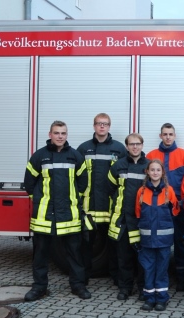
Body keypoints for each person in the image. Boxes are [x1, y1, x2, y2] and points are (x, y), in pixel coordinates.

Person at [23, 120, 91, 301]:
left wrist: (74, 199)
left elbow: (83, 182)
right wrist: (38, 201)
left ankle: (78, 286)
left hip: (69, 214)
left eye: (63, 133)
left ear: (66, 135)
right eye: (57, 133)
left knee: (75, 254)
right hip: (44, 216)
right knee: (40, 255)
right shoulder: (39, 156)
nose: (60, 136)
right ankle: (39, 288)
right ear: (50, 134)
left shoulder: (75, 156)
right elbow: (29, 183)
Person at [77, 113, 127, 284]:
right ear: (94, 126)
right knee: (86, 246)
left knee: (114, 245)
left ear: (109, 126)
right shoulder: (83, 149)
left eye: (105, 124)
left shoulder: (119, 149)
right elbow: (76, 177)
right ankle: (83, 279)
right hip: (88, 207)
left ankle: (116, 279)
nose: (102, 127)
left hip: (111, 208)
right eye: (99, 124)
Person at [146, 123, 184, 290]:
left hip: (178, 208)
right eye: (165, 134)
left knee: (180, 243)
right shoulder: (151, 155)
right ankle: (159, 279)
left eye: (170, 134)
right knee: (158, 244)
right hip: (157, 208)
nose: (168, 137)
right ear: (160, 136)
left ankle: (182, 280)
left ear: (175, 136)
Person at [107, 133, 149, 301]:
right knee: (123, 258)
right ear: (126, 146)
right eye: (131, 144)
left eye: (138, 144)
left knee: (142, 259)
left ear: (142, 145)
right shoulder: (118, 166)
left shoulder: (149, 166)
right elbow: (110, 189)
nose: (135, 147)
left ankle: (142, 289)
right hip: (123, 221)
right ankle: (125, 288)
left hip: (142, 221)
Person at [135, 160, 180, 311]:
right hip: (147, 240)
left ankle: (161, 298)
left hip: (163, 240)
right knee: (148, 269)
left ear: (162, 173)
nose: (155, 173)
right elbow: (138, 213)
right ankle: (149, 298)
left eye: (158, 170)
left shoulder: (169, 191)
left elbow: (175, 211)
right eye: (152, 170)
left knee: (161, 269)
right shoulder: (141, 192)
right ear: (147, 172)